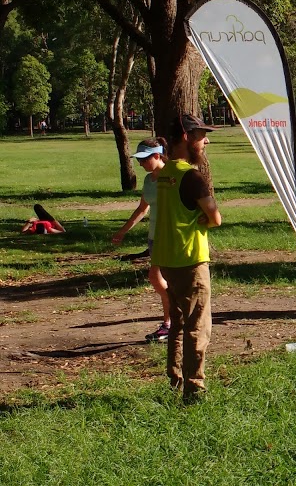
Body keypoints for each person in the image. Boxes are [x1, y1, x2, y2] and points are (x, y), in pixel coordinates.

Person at [152, 113, 222, 402]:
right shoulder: (192, 176)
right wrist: (206, 221)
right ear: (186, 137)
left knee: (179, 325)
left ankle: (175, 380)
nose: (205, 141)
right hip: (191, 261)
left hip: (168, 260)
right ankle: (195, 391)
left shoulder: (165, 173)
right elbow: (215, 217)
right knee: (198, 327)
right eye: (200, 135)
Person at [112, 139, 172, 342]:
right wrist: (123, 231)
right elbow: (142, 208)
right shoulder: (148, 181)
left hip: (171, 237)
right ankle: (171, 321)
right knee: (159, 280)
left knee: (157, 277)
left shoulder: (173, 177)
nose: (141, 164)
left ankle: (171, 322)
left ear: (157, 156)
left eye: (144, 159)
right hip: (154, 237)